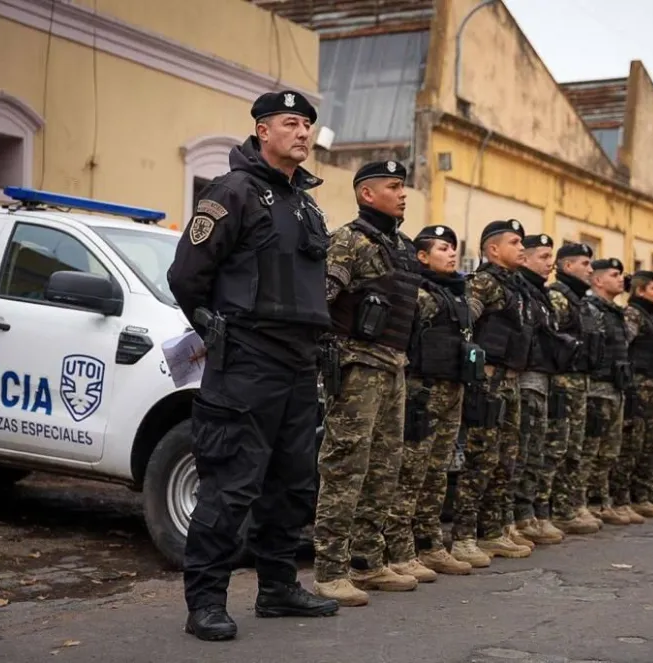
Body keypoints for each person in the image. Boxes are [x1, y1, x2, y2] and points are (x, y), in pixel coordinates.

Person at [167, 90, 338, 641]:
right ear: (263, 130)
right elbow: (186, 276)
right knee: (230, 485)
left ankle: (278, 589)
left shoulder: (305, 204)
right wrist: (214, 330)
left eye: (307, 124)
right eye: (291, 123)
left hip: (297, 366)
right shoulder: (232, 191)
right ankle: (205, 603)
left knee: (291, 485)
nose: (303, 133)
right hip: (247, 362)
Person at [313, 160, 422, 607]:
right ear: (366, 194)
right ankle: (329, 571)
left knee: (383, 469)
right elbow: (320, 301)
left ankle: (367, 561)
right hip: (357, 367)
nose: (403, 193)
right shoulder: (349, 241)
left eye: (403, 186)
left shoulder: (403, 248)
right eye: (393, 186)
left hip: (394, 367)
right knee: (345, 467)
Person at [383, 224, 478, 579]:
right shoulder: (418, 294)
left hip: (452, 389)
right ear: (422, 256)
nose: (452, 253)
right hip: (422, 391)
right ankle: (399, 550)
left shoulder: (455, 294)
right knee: (411, 473)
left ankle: (429, 544)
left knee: (437, 473)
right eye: (442, 248)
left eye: (453, 247)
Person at [450, 219, 534, 567]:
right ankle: (463, 537)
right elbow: (464, 321)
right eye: (515, 242)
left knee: (505, 461)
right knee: (480, 460)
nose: (522, 248)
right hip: (489, 382)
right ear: (493, 249)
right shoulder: (483, 282)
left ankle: (493, 530)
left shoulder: (517, 286)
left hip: (511, 381)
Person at [514, 234, 573, 545]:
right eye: (544, 256)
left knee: (537, 452)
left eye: (552, 256)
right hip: (526, 381)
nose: (551, 263)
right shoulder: (521, 290)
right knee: (521, 453)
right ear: (525, 258)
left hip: (543, 380)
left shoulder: (541, 294)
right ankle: (516, 518)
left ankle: (529, 515)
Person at [548, 242, 606, 533]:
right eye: (585, 263)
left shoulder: (580, 302)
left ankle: (568, 507)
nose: (590, 269)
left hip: (580, 382)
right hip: (562, 382)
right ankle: (553, 511)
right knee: (557, 449)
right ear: (568, 266)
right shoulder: (557, 298)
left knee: (574, 450)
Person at [584, 258, 632, 525]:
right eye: (614, 274)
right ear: (598, 280)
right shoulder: (591, 309)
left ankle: (600, 502)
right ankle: (581, 503)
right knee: (590, 450)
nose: (621, 279)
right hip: (598, 389)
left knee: (609, 452)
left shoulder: (616, 312)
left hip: (615, 387)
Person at [624, 271, 653, 519]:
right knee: (634, 442)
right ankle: (626, 497)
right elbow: (623, 346)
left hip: (652, 384)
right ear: (640, 290)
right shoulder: (633, 314)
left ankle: (643, 496)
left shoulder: (652, 316)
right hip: (638, 385)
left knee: (649, 443)